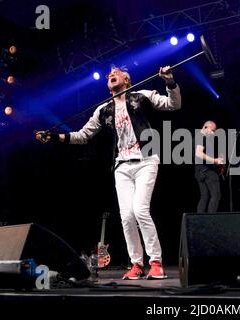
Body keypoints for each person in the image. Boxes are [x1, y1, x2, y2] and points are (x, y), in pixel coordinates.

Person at [36, 66, 181, 280]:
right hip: (121, 166)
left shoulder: (142, 96)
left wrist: (169, 82)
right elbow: (83, 135)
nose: (111, 74)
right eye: (109, 74)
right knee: (126, 216)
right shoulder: (103, 110)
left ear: (127, 79)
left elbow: (173, 104)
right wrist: (56, 137)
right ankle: (136, 264)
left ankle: (156, 262)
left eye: (117, 71)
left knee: (140, 210)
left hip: (146, 160)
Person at [194, 120, 225, 213]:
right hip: (207, 172)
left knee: (204, 197)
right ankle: (211, 221)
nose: (213, 133)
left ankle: (200, 221)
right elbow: (198, 153)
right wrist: (215, 161)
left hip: (199, 172)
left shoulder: (195, 137)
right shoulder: (201, 137)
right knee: (216, 196)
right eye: (212, 130)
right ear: (205, 127)